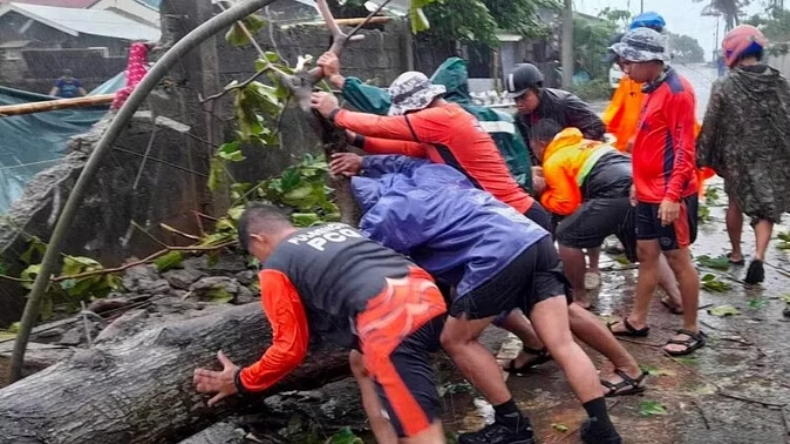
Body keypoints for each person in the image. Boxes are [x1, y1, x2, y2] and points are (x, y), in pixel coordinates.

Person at [334, 153, 623, 444]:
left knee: (456, 340)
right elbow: (408, 164)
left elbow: (367, 266)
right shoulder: (432, 175)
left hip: (495, 256)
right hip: (531, 237)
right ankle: (603, 429)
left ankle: (511, 425)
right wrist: (365, 162)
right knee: (561, 342)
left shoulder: (382, 217)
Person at [192, 205, 448, 443]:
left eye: (254, 253)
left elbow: (289, 349)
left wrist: (240, 380)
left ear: (259, 239)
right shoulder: (337, 228)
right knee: (360, 362)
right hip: (428, 296)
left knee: (420, 431)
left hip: (390, 322)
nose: (259, 260)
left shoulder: (276, 266)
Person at [607, 27, 706, 356]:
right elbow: (648, 142)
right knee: (647, 254)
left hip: (669, 194)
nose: (625, 68)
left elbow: (683, 150)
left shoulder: (678, 92)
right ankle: (637, 319)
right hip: (649, 192)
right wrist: (638, 180)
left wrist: (672, 195)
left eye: (629, 62)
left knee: (678, 259)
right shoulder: (652, 88)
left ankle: (691, 329)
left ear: (649, 60)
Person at [529, 119, 683, 314]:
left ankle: (579, 298)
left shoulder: (554, 160)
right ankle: (677, 298)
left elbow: (566, 205)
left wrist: (544, 193)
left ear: (540, 144)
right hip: (640, 186)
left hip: (615, 191)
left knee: (567, 235)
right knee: (645, 249)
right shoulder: (585, 144)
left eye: (533, 148)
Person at [318, 52, 533, 192]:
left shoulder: (441, 119)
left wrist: (335, 112)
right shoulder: (476, 116)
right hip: (515, 198)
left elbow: (381, 121)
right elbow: (406, 148)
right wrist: (357, 139)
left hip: (502, 208)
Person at [697, 25, 790, 284]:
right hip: (772, 155)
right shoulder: (780, 81)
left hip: (737, 156)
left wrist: (701, 154)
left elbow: (711, 122)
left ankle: (736, 252)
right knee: (765, 208)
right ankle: (758, 255)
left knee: (735, 202)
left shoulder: (724, 84)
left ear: (733, 51)